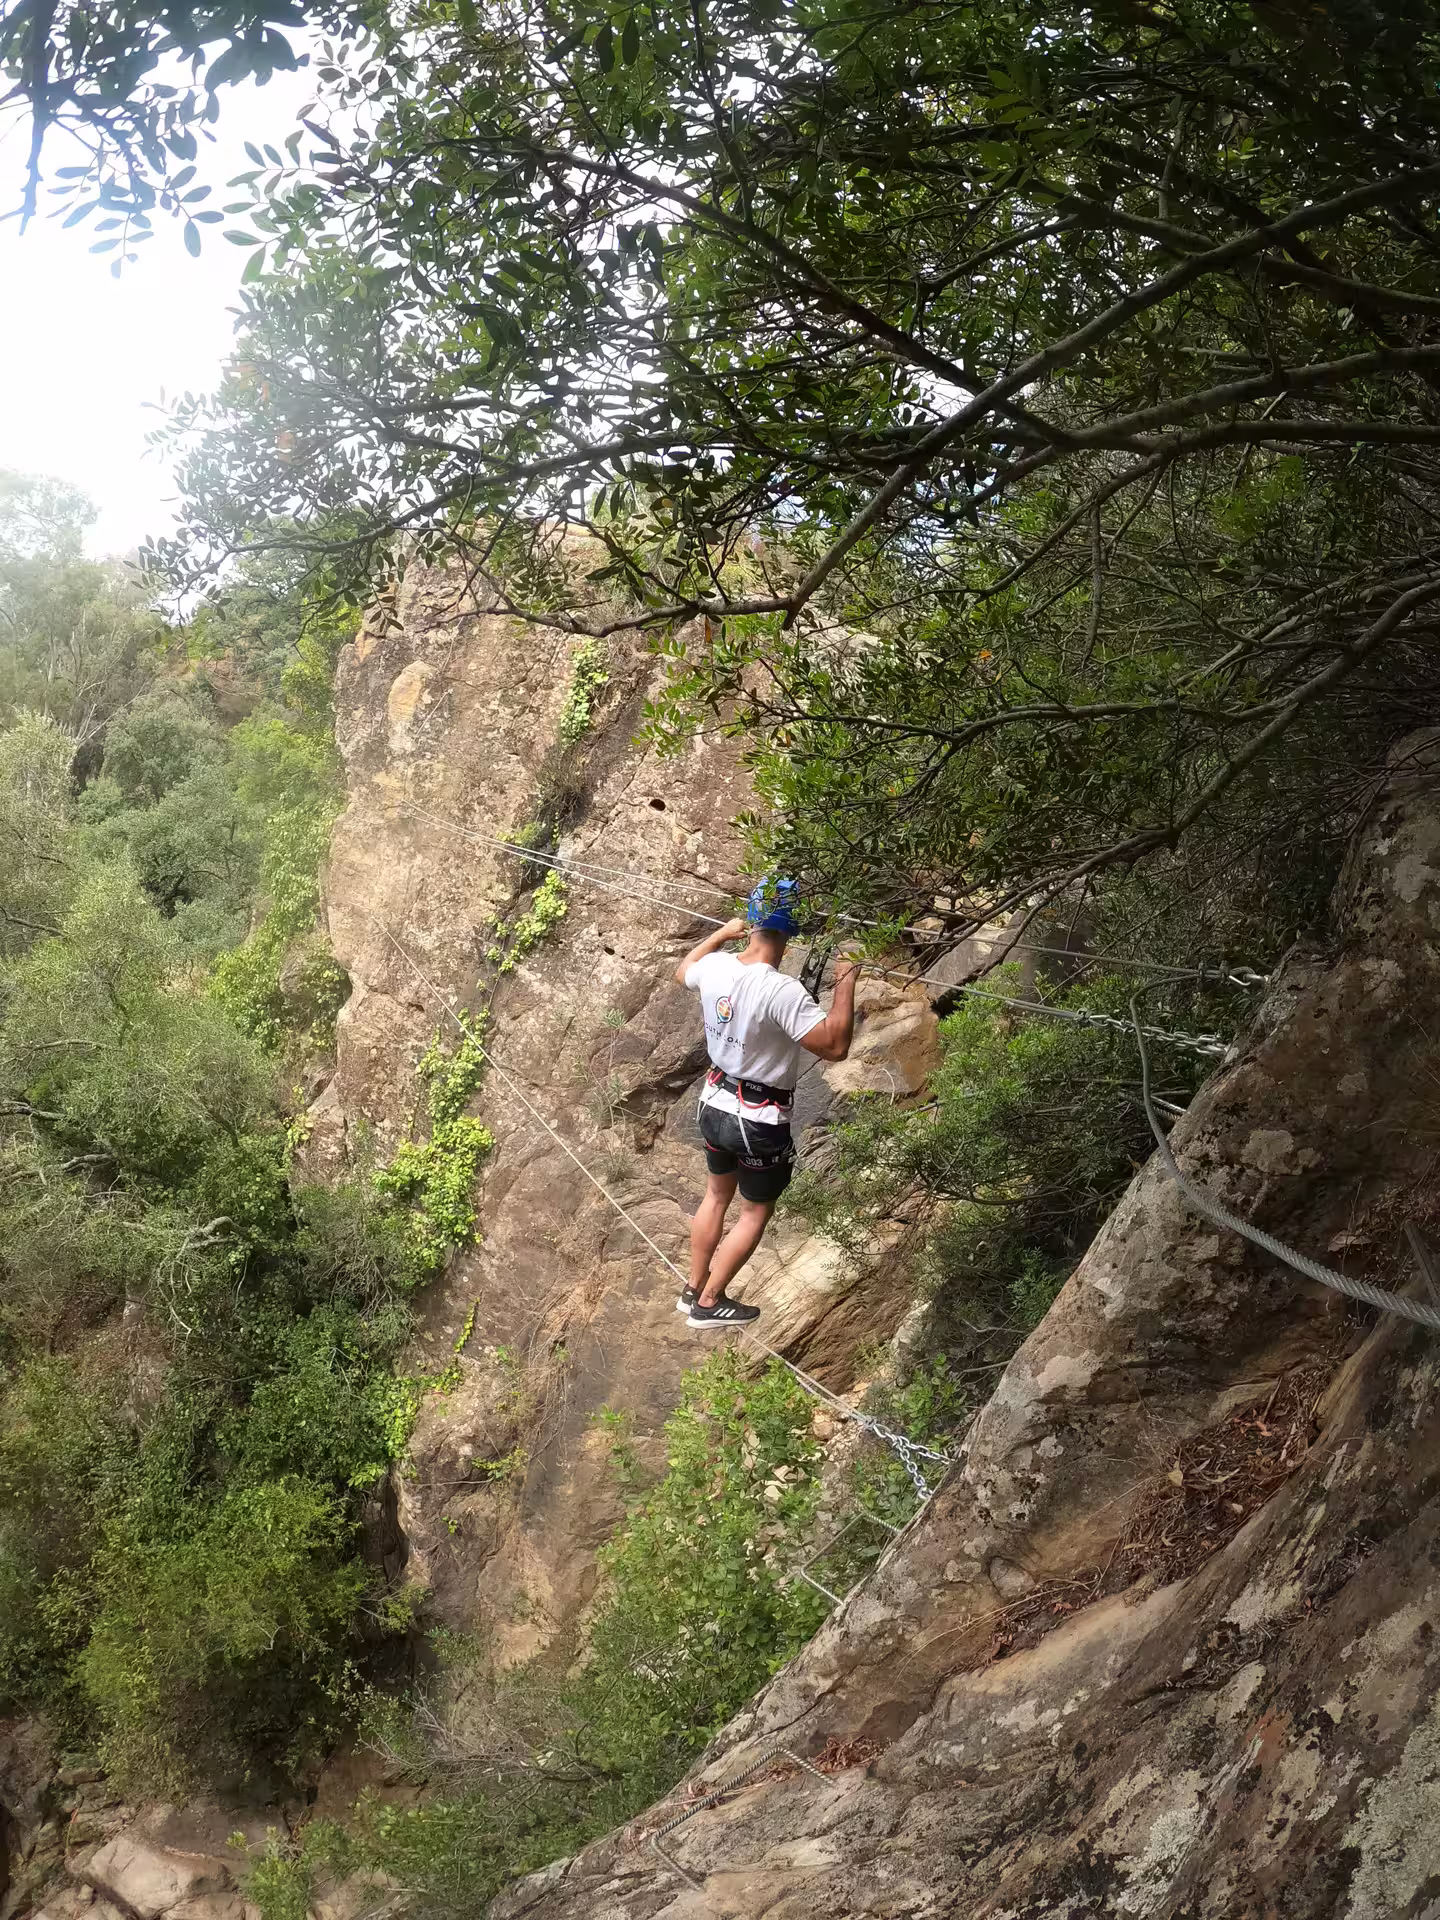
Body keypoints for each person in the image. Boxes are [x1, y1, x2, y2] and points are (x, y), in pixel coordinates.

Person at [674, 879, 859, 1328]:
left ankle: (693, 1288)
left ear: (753, 922)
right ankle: (709, 1302)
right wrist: (847, 978)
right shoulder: (781, 991)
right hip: (758, 1119)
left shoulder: (715, 966)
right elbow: (835, 1046)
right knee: (755, 1210)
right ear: (791, 931)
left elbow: (684, 970)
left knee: (716, 1195)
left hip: (714, 1103)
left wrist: (722, 933)